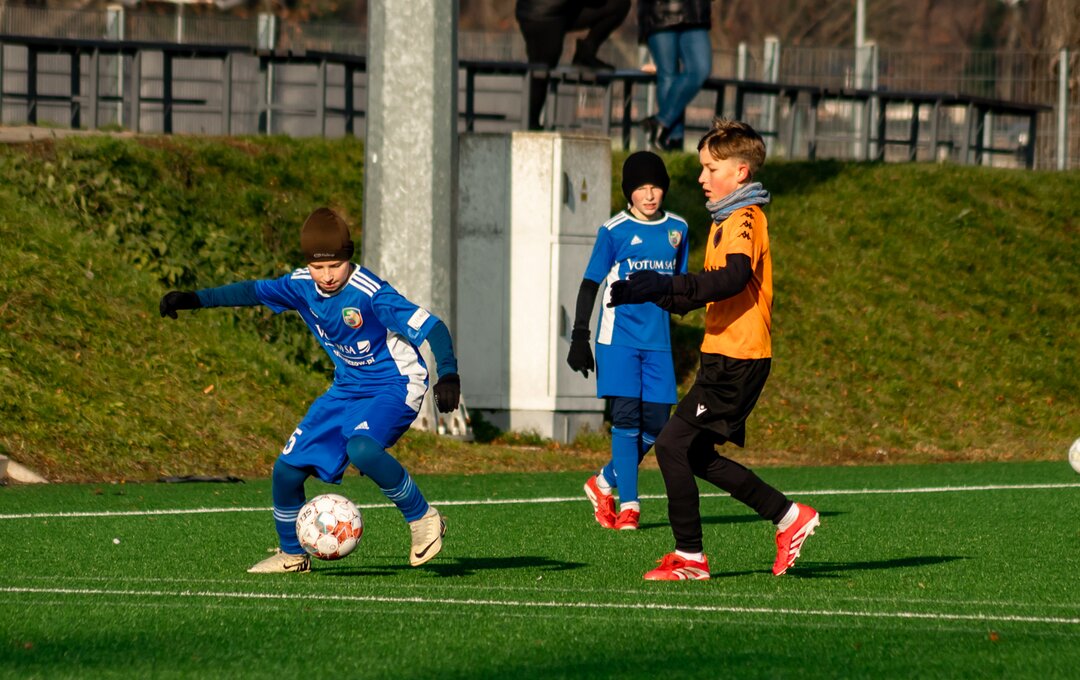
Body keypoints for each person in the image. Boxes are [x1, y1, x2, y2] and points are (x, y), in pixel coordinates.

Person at [159, 207, 461, 574]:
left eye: (336, 265)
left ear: (349, 258)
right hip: (346, 387)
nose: (328, 275)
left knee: (362, 449)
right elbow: (252, 291)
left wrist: (448, 374)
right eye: (319, 267)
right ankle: (292, 555)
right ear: (308, 264)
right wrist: (195, 299)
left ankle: (423, 518)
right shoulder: (300, 285)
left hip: (395, 384)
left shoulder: (371, 294)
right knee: (286, 470)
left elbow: (433, 327)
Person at [608, 119, 819, 580]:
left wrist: (666, 283)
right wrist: (650, 291)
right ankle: (789, 517)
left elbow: (731, 279)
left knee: (670, 445)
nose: (702, 177)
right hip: (723, 357)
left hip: (738, 360)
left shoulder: (746, 218)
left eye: (710, 168)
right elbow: (704, 292)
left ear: (740, 172)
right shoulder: (725, 220)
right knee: (694, 454)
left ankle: (690, 556)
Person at [568, 151, 689, 531]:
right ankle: (630, 506)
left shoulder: (679, 229)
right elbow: (590, 284)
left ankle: (604, 480)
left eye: (656, 187)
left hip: (658, 342)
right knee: (626, 420)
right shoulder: (614, 230)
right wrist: (580, 336)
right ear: (628, 192)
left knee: (657, 424)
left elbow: (682, 286)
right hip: (617, 339)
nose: (649, 195)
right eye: (641, 188)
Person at [516, 0, 632, 130]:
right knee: (542, 68)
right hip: (541, 14)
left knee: (618, 4)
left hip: (563, 10)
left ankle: (585, 53)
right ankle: (530, 123)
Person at [638, 0, 713, 152]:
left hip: (695, 12)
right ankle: (673, 140)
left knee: (700, 69)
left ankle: (661, 122)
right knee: (668, 75)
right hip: (659, 10)